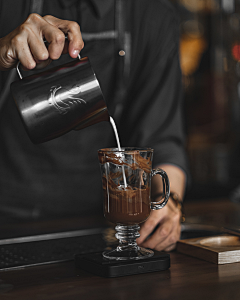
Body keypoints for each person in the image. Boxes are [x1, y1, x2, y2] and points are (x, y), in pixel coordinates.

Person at [0, 0, 188, 252]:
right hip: (7, 221)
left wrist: (168, 202)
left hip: (101, 228)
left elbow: (162, 138)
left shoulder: (152, 13)